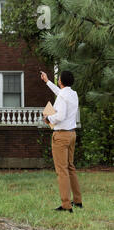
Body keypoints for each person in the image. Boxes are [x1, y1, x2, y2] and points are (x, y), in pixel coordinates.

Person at [41, 70, 82, 213]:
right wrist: (47, 82)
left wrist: (48, 119)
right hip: (71, 134)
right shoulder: (72, 94)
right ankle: (77, 201)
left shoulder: (63, 97)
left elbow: (60, 116)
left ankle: (66, 205)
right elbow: (60, 93)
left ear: (61, 81)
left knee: (62, 170)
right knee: (70, 167)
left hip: (61, 136)